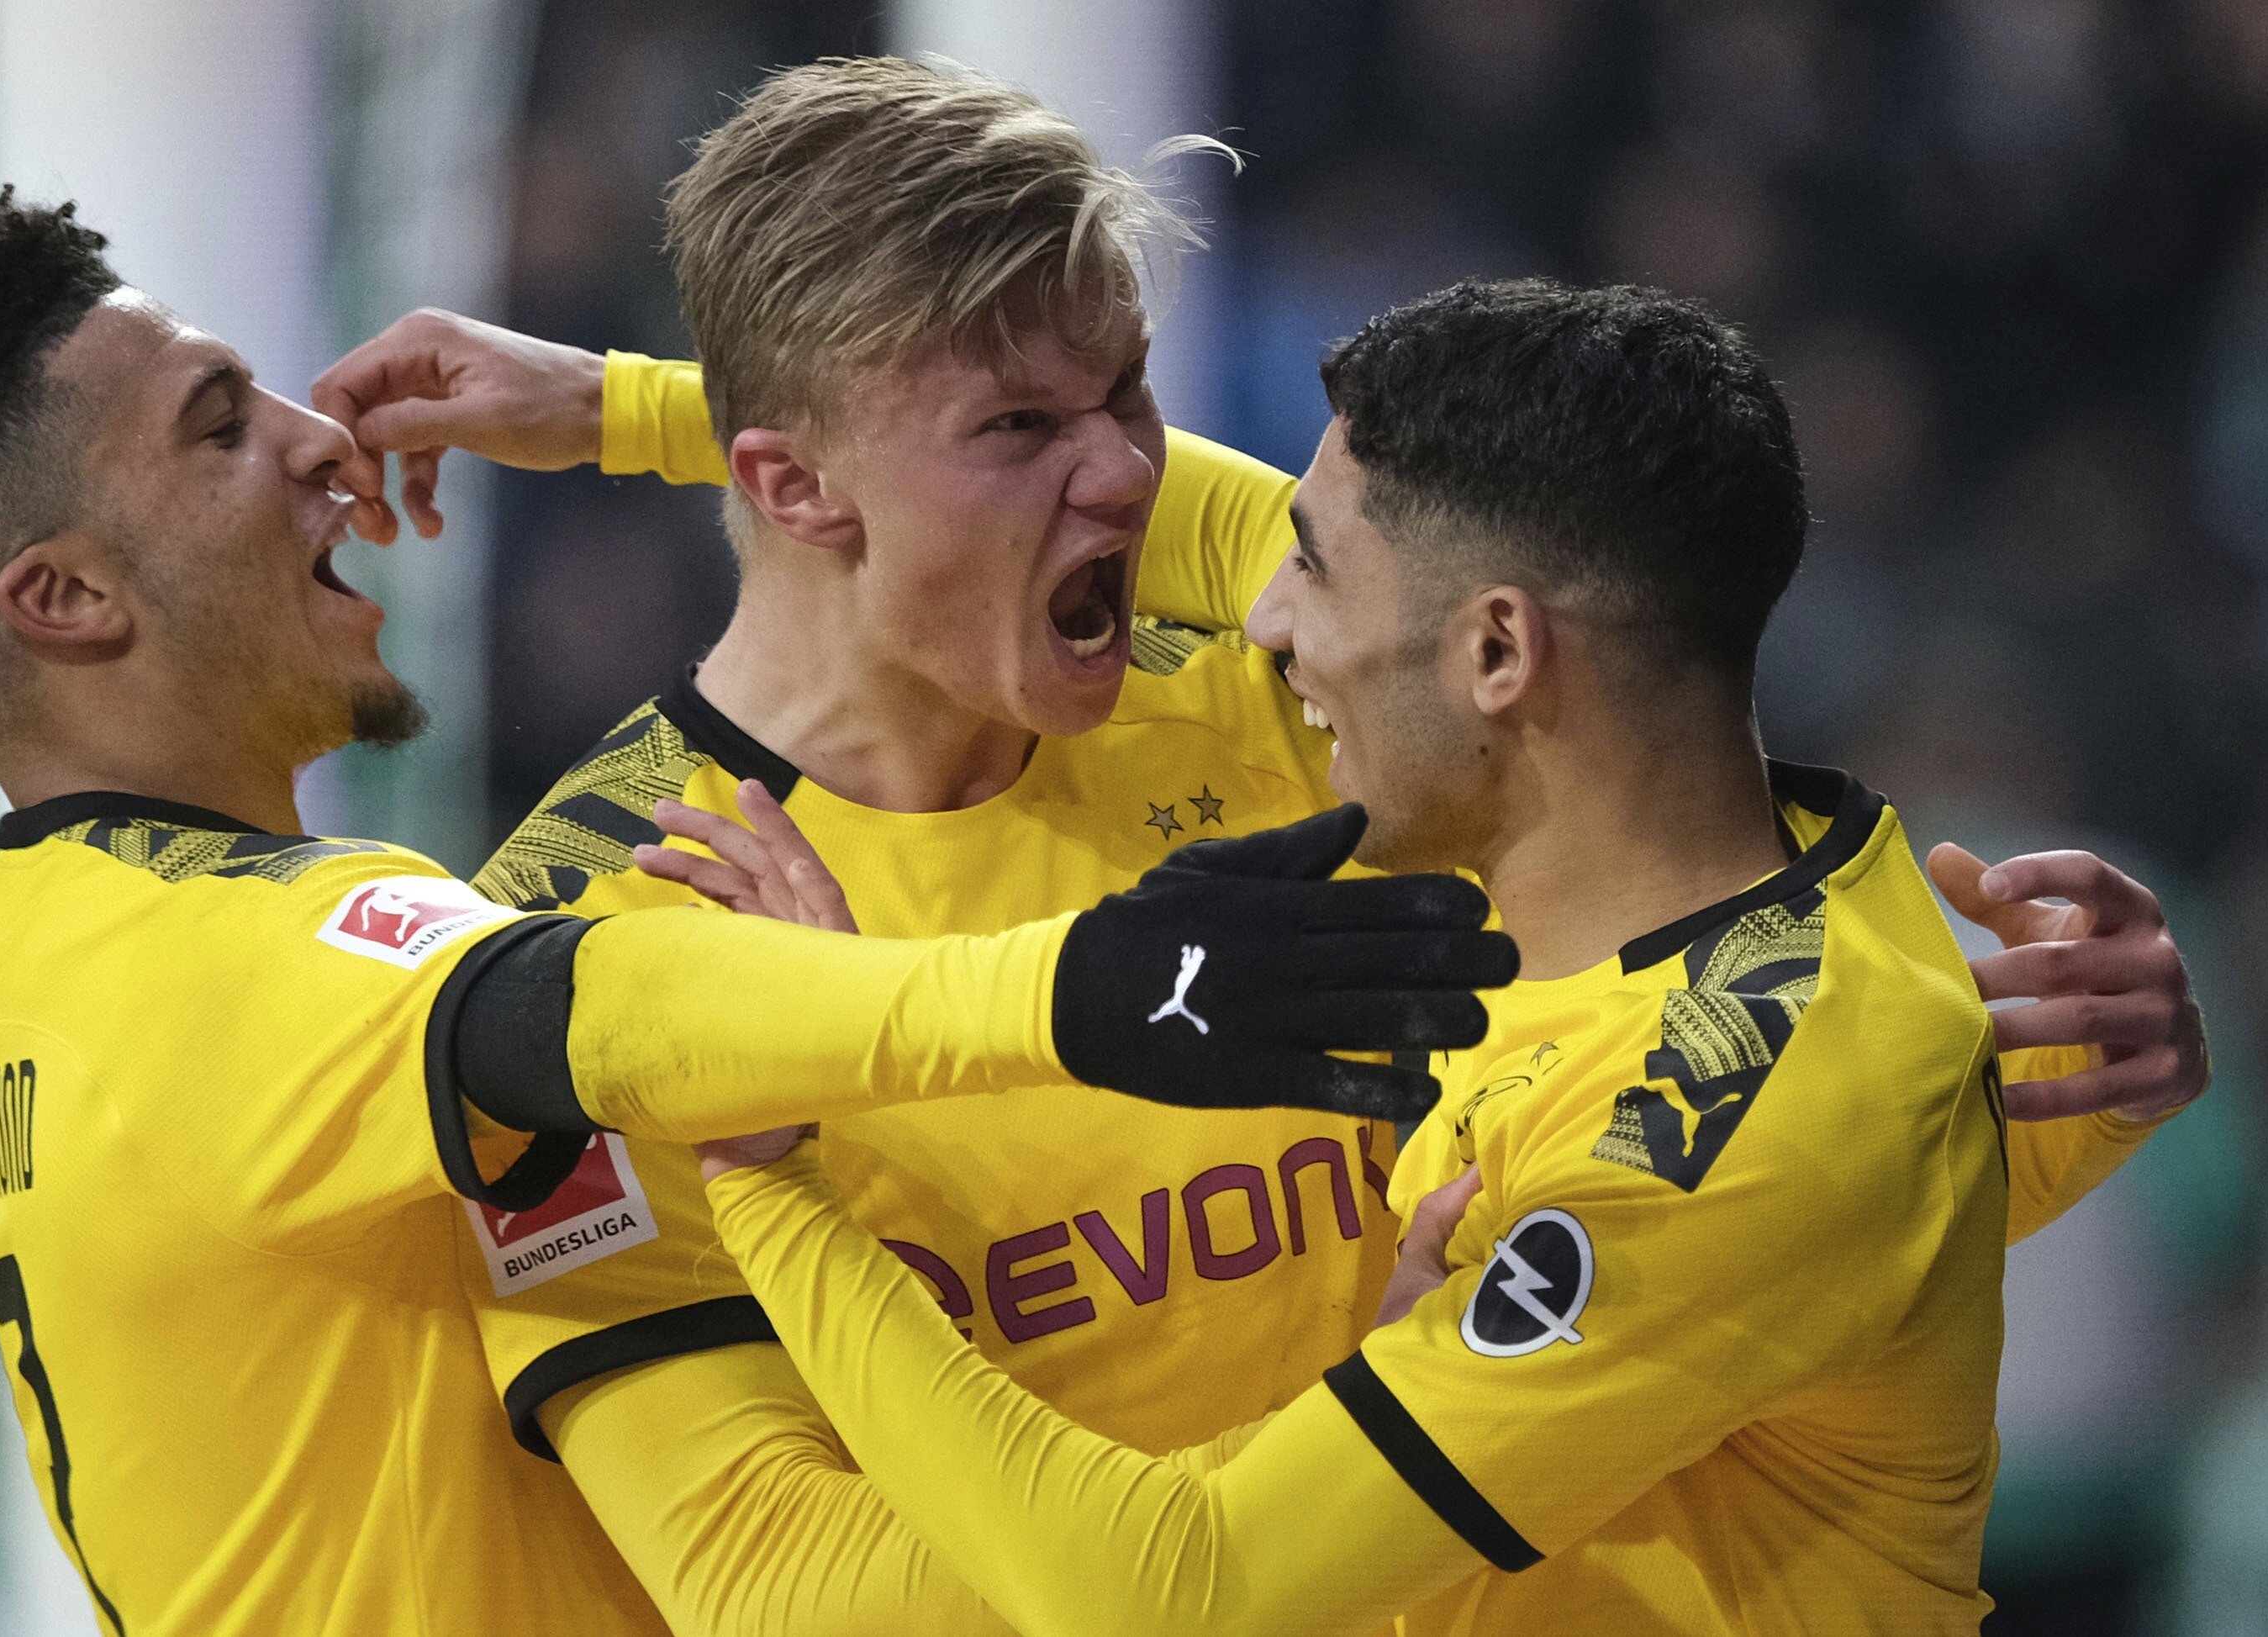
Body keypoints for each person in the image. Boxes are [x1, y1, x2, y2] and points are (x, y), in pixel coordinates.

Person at [315, 56, 2205, 1637]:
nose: (1130, 473)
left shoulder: (1308, 710)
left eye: (1131, 390)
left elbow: (1684, 1185)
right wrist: (1325, 1477)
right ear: (793, 486)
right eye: (1024, 423)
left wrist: (1982, 1092)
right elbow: (782, 1589)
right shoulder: (581, 941)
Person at [0, 193, 1505, 1637]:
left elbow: (1400, 585)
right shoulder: (257, 957)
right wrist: (1082, 993)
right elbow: (588, 1012)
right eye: (219, 425)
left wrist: (641, 414)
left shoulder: (63, 955)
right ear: (61, 597)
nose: (320, 438)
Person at [678, 280, 2206, 1635]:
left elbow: (1166, 1591)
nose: (1265, 625)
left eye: (1315, 568)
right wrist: (632, 411)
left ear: (1497, 653)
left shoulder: (1715, 1121)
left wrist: (770, 1180)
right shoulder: (1738, 896)